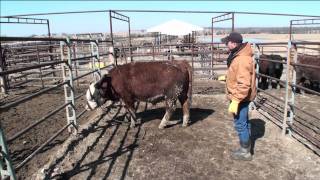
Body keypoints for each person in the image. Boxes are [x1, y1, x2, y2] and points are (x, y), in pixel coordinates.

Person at [222, 32, 256, 161]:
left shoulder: (241, 59)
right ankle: (245, 148)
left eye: (227, 42)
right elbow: (238, 75)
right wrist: (227, 78)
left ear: (234, 43)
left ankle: (245, 152)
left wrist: (235, 100)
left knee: (240, 124)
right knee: (244, 122)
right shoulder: (239, 55)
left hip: (240, 97)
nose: (226, 45)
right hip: (241, 96)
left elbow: (244, 83)